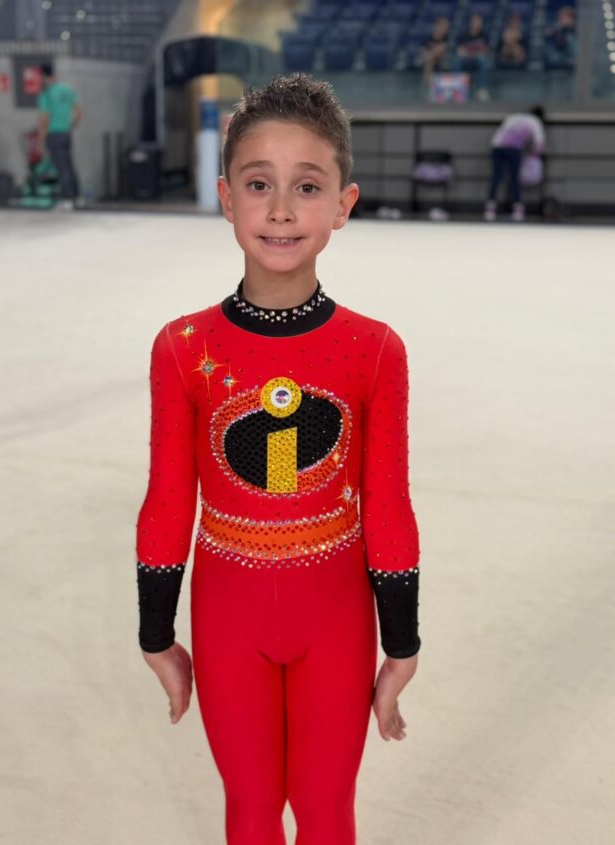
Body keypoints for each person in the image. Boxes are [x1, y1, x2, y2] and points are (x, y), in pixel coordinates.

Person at [135, 73, 422, 844]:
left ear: (343, 206)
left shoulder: (373, 350)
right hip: (229, 619)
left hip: (335, 618)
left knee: (327, 813)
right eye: (259, 184)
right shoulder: (183, 348)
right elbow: (169, 500)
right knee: (252, 813)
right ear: (227, 196)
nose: (283, 210)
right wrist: (156, 634)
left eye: (308, 186)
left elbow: (387, 504)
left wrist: (402, 644)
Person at [484, 105, 546, 222]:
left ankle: (490, 209)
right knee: (514, 178)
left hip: (497, 146)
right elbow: (539, 144)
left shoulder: (514, 117)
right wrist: (534, 156)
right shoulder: (535, 121)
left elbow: (501, 132)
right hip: (513, 149)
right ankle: (517, 210)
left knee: (497, 177)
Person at [36, 63, 83, 209]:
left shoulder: (46, 95)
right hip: (65, 133)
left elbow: (45, 118)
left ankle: (67, 199)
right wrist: (71, 126)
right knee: (69, 165)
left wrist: (41, 139)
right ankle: (77, 197)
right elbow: (79, 111)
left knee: (61, 168)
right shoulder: (67, 90)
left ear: (43, 77)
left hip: (54, 134)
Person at [452, 12, 491, 100]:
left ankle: (482, 89)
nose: (476, 24)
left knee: (484, 60)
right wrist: (469, 53)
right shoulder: (463, 35)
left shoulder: (484, 36)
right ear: (470, 23)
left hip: (477, 59)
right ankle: (458, 88)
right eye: (474, 22)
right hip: (465, 58)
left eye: (479, 22)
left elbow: (485, 50)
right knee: (456, 60)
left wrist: (474, 53)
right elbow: (459, 50)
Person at [421, 16, 450, 86]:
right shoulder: (428, 39)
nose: (443, 29)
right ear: (436, 26)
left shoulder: (447, 39)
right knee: (429, 60)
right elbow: (423, 52)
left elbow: (444, 49)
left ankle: (428, 83)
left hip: (442, 59)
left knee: (440, 49)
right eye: (441, 27)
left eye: (445, 28)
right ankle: (427, 83)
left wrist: (433, 52)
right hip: (430, 60)